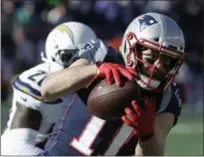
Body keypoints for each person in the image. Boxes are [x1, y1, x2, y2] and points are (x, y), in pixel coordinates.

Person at [38, 12, 186, 156]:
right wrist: (96, 69)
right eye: (151, 57)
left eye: (168, 61)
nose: (158, 67)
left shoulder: (168, 96)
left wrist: (147, 135)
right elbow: (48, 88)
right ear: (131, 46)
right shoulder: (101, 54)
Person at [1, 22, 97, 155]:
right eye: (70, 57)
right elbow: (13, 148)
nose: (77, 64)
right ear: (53, 53)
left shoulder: (94, 77)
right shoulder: (36, 83)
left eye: (84, 57)